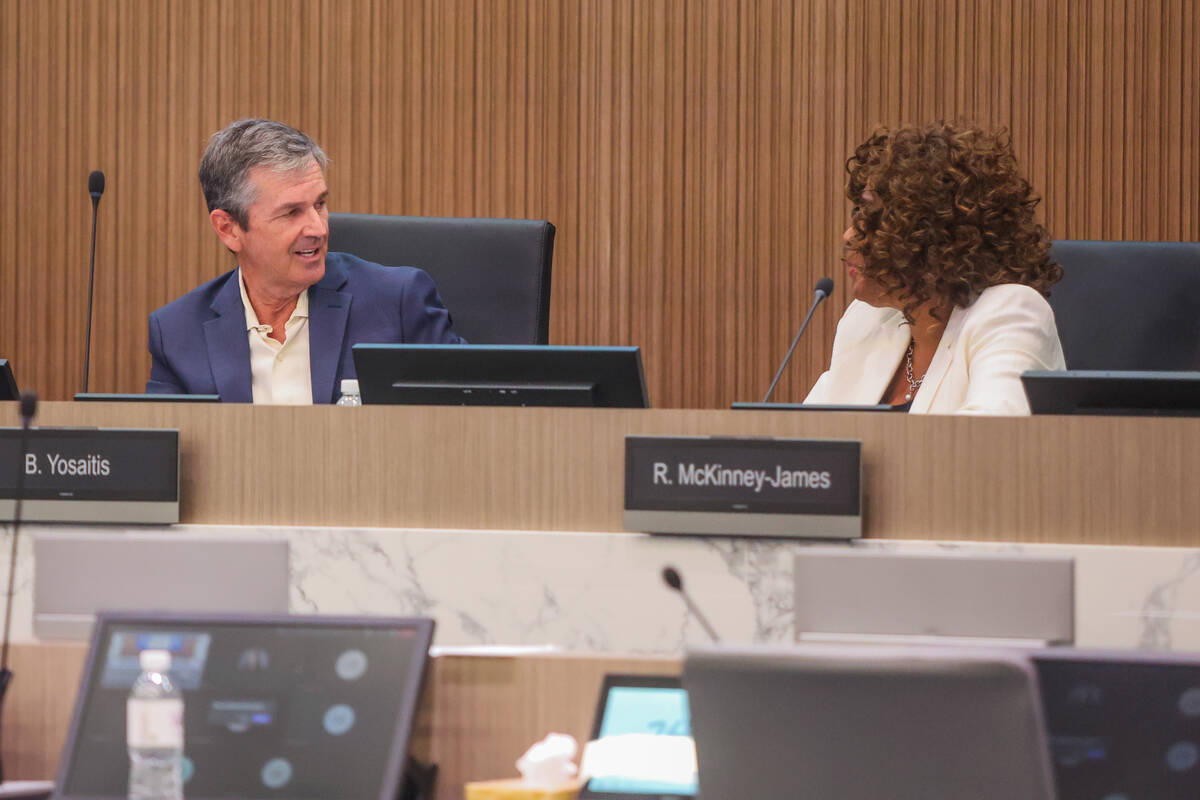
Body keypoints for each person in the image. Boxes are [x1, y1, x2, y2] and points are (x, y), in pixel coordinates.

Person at [146, 118, 463, 403]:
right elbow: (166, 461)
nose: (318, 228)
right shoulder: (177, 333)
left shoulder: (397, 303)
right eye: (291, 213)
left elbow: (478, 414)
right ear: (228, 228)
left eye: (320, 204)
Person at [805, 122, 1066, 415]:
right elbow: (809, 439)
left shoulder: (1010, 315)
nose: (849, 235)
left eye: (871, 216)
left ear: (933, 236)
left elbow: (993, 445)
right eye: (857, 214)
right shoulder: (866, 321)